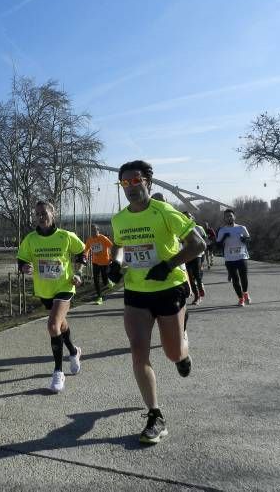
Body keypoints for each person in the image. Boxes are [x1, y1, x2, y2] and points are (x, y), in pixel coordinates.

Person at [107, 160, 205, 444]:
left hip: (168, 289)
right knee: (139, 353)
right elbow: (120, 245)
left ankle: (182, 350)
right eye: (125, 183)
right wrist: (115, 262)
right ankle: (155, 415)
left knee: (172, 353)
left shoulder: (165, 212)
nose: (130, 188)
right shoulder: (120, 219)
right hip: (137, 293)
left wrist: (168, 264)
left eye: (136, 181)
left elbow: (198, 244)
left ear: (148, 182)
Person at [17, 200, 86, 393]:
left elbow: (82, 252)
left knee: (52, 325)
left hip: (64, 287)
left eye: (44, 213)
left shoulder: (65, 236)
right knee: (60, 325)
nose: (41, 217)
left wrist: (79, 273)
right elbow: (21, 259)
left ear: (52, 213)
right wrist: (24, 267)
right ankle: (74, 351)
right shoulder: (30, 239)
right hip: (44, 290)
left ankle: (58, 372)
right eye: (37, 214)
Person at [216, 209, 252, 306]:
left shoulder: (241, 228)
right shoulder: (222, 230)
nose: (229, 218)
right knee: (235, 279)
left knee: (243, 277)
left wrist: (244, 239)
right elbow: (218, 245)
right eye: (227, 216)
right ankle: (240, 299)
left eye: (230, 216)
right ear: (224, 218)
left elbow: (249, 240)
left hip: (242, 256)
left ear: (234, 217)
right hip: (229, 258)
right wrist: (224, 237)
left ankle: (245, 293)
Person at [84, 224, 114, 305]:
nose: (93, 232)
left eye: (94, 230)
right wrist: (85, 256)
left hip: (105, 261)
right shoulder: (89, 240)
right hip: (95, 262)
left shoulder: (103, 238)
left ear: (98, 230)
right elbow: (86, 249)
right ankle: (99, 297)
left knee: (104, 280)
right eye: (91, 230)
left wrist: (111, 257)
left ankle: (108, 282)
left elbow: (111, 246)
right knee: (96, 280)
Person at [183, 213, 207, 305]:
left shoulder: (199, 228)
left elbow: (205, 239)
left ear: (193, 218)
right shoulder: (180, 227)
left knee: (197, 274)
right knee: (190, 277)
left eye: (189, 216)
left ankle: (200, 287)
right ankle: (197, 296)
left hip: (198, 254)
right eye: (185, 216)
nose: (187, 218)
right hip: (186, 255)